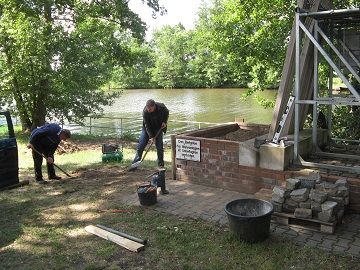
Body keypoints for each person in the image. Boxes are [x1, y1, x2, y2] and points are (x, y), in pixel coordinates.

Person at [131, 99, 169, 194]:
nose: (148, 110)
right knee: (141, 146)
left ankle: (160, 164)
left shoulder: (161, 107)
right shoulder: (145, 112)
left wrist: (165, 121)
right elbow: (147, 125)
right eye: (147, 108)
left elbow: (167, 112)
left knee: (159, 147)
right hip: (147, 129)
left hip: (158, 128)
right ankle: (135, 163)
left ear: (154, 106)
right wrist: (151, 136)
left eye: (150, 109)